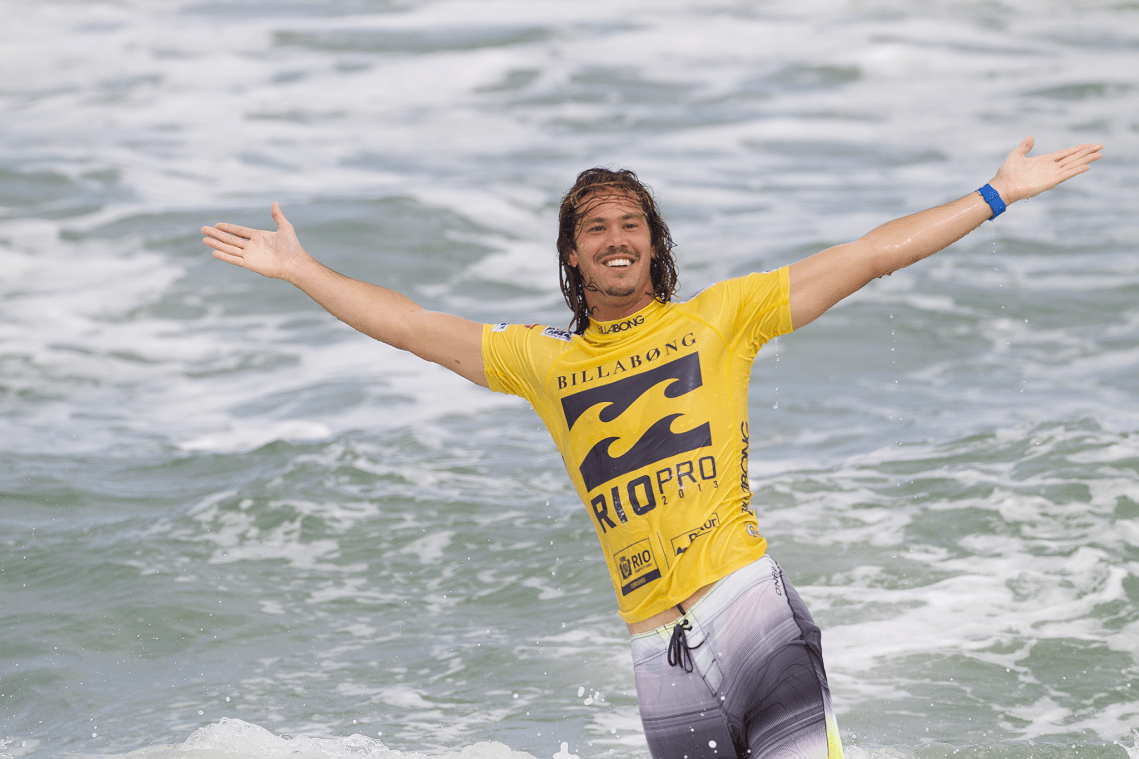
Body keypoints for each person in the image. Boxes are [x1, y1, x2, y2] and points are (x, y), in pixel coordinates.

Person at [201, 136, 1102, 759]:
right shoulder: (542, 363)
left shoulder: (722, 318)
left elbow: (868, 255)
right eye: (595, 228)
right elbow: (409, 325)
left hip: (745, 602)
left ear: (653, 244)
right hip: (656, 647)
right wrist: (301, 269)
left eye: (629, 223)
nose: (615, 238)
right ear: (573, 257)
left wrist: (994, 195)